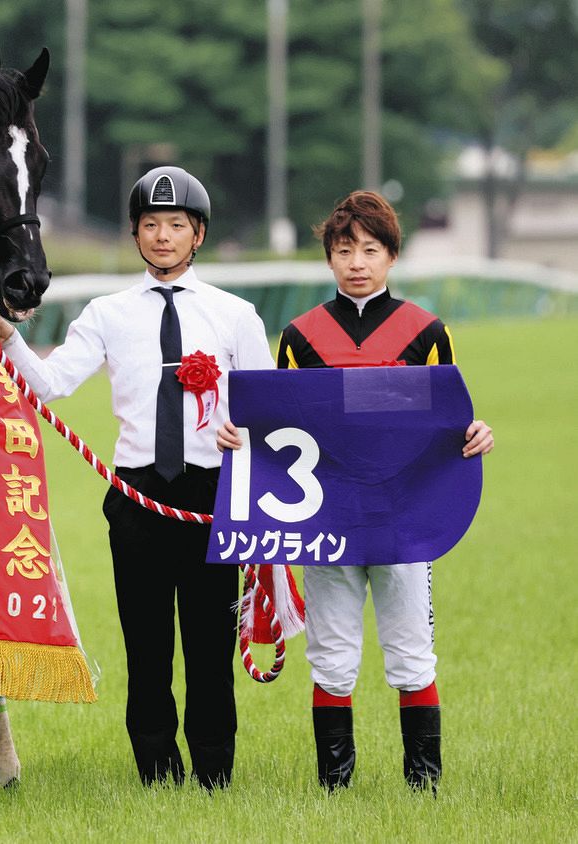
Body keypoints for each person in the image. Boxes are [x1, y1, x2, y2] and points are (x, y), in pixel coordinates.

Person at [0, 166, 275, 789]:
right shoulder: (107, 313)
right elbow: (52, 383)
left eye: (176, 225)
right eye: (151, 225)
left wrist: (245, 436)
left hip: (212, 497)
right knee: (146, 647)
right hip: (137, 495)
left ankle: (214, 770)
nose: (163, 236)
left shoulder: (236, 317)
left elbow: (271, 411)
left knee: (208, 646)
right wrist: (8, 338)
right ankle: (155, 768)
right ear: (134, 233)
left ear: (198, 234)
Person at [217, 190, 495, 792]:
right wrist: (236, 438)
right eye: (345, 250)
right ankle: (333, 788)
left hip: (404, 518)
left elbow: (451, 420)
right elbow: (276, 429)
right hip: (328, 521)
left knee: (411, 654)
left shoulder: (428, 332)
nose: (358, 262)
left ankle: (424, 785)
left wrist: (477, 434)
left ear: (392, 256)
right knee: (333, 658)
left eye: (371, 249)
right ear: (329, 259)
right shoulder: (300, 336)